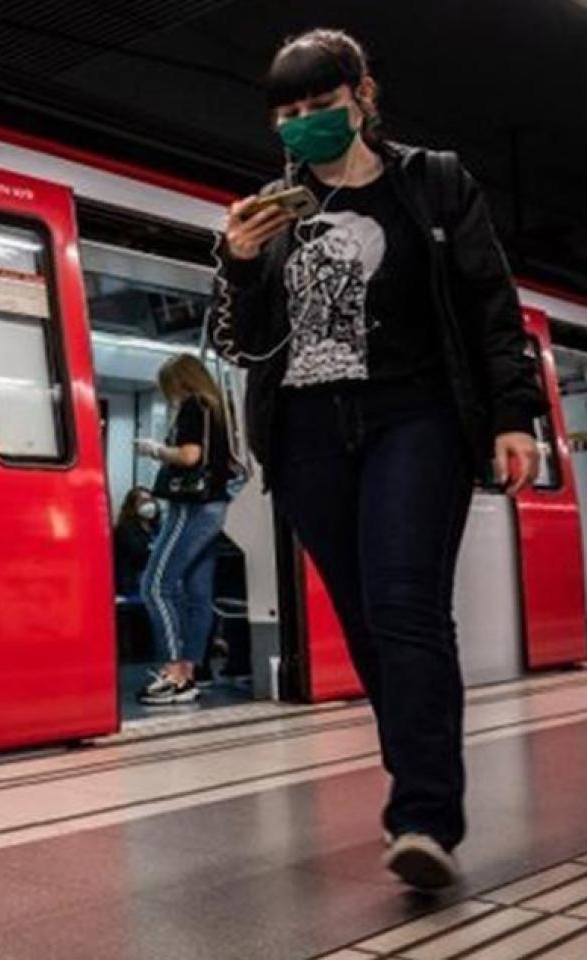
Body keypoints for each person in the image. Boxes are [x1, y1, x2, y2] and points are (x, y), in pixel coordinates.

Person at [211, 29, 544, 890]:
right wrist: (239, 264)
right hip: (308, 433)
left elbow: (490, 302)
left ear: (362, 96)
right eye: (287, 112)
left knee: (405, 606)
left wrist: (514, 415)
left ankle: (424, 814)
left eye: (320, 104)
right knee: (364, 621)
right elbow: (249, 343)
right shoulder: (274, 212)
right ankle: (420, 771)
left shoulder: (433, 182)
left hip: (414, 416)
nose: (303, 122)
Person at [134, 355, 235, 707]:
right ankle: (191, 672)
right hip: (215, 506)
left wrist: (156, 450)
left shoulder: (193, 406)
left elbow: (190, 456)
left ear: (180, 381)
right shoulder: (219, 410)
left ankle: (174, 672)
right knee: (197, 594)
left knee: (155, 585)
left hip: (191, 506)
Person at [112, 486, 159, 598]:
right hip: (134, 581)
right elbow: (137, 552)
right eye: (143, 501)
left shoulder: (157, 528)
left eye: (151, 501)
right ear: (132, 506)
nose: (149, 505)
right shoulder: (125, 529)